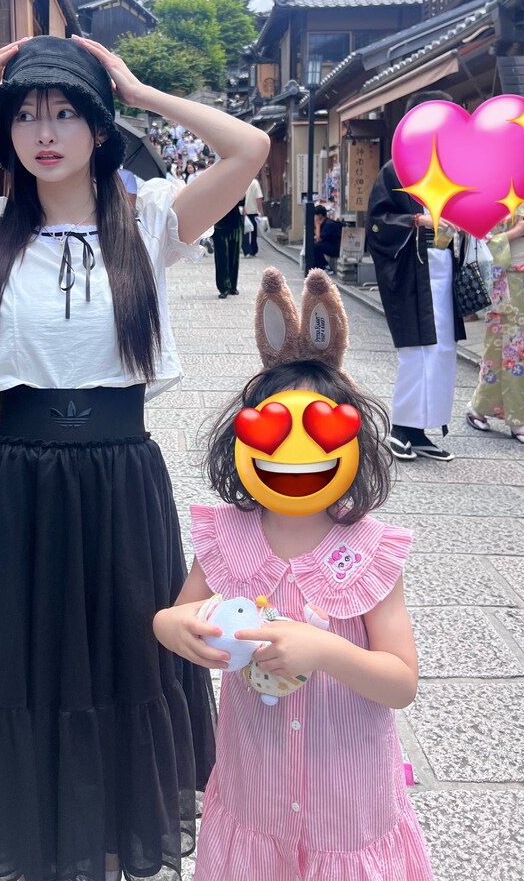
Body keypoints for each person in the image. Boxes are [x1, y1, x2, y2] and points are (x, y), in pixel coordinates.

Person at [0, 34, 269, 881]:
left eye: (66, 112)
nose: (45, 132)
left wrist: (142, 91)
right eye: (27, 115)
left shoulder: (151, 221)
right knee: (21, 665)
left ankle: (103, 848)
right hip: (18, 479)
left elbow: (249, 148)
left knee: (121, 660)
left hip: (120, 478)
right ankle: (34, 845)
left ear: (99, 129)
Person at [153, 269, 432, 880]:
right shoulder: (227, 536)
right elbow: (181, 613)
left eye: (318, 435)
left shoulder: (370, 550)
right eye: (276, 435)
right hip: (256, 794)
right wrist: (171, 627)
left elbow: (401, 682)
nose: (295, 456)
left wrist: (324, 649)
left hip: (349, 804)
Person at [366, 90, 465, 463]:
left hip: (443, 269)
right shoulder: (395, 169)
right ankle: (401, 428)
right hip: (411, 271)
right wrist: (416, 220)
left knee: (442, 352)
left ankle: (423, 430)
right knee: (416, 352)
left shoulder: (451, 169)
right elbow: (377, 222)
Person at [467, 196, 524, 446]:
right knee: (502, 349)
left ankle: (485, 408)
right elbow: (481, 244)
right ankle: (512, 418)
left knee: (522, 349)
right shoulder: (492, 198)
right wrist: (515, 232)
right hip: (506, 283)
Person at [213, 197, 243, 299]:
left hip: (235, 223)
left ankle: (232, 286)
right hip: (219, 224)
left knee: (234, 257)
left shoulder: (236, 188)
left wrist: (241, 197)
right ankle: (223, 287)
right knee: (222, 257)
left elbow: (242, 202)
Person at [312, 205, 342, 272]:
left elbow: (318, 239)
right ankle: (316, 267)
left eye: (315, 216)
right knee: (313, 245)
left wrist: (317, 225)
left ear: (320, 216)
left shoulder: (329, 224)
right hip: (328, 246)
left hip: (335, 249)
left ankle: (326, 266)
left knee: (315, 246)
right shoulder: (323, 224)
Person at [242, 175, 264, 256]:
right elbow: (258, 198)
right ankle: (253, 249)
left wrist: (243, 208)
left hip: (244, 211)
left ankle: (246, 250)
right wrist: (260, 211)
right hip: (253, 211)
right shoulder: (255, 183)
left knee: (245, 232)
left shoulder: (243, 183)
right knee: (254, 232)